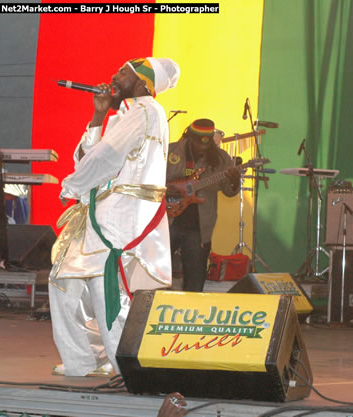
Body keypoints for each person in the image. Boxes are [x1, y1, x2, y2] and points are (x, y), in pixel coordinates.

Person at [49, 57, 180, 377]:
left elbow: (106, 158)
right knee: (63, 281)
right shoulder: (125, 114)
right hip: (103, 211)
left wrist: (72, 186)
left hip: (120, 215)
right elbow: (87, 157)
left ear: (143, 83)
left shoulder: (146, 110)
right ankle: (84, 360)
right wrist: (97, 114)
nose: (113, 75)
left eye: (123, 72)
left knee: (105, 287)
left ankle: (124, 366)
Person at [166, 118, 241, 292]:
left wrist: (234, 180)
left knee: (195, 280)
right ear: (189, 137)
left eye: (206, 145)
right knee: (156, 274)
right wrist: (169, 189)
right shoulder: (171, 152)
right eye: (198, 144)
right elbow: (151, 178)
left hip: (198, 229)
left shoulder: (221, 159)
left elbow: (229, 192)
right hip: (167, 221)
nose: (202, 149)